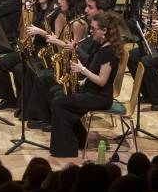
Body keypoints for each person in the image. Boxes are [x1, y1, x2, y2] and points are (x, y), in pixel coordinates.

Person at [50, 12, 123, 157]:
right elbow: (92, 67)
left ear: (104, 31)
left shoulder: (108, 52)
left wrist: (81, 69)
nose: (90, 31)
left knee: (59, 102)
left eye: (94, 29)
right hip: (91, 91)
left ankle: (67, 148)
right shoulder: (100, 46)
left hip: (99, 97)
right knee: (56, 93)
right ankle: (79, 138)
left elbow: (102, 81)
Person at [24, 0, 90, 130]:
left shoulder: (79, 23)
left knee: (43, 79)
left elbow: (75, 49)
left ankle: (47, 118)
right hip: (64, 61)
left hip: (74, 69)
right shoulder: (65, 17)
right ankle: (37, 115)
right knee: (37, 73)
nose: (59, 1)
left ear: (72, 1)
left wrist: (52, 39)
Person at [0, 0, 59, 112]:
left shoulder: (56, 12)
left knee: (18, 70)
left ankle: (24, 104)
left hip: (45, 53)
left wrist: (40, 32)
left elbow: (57, 38)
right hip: (32, 48)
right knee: (0, 64)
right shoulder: (37, 8)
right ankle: (9, 99)